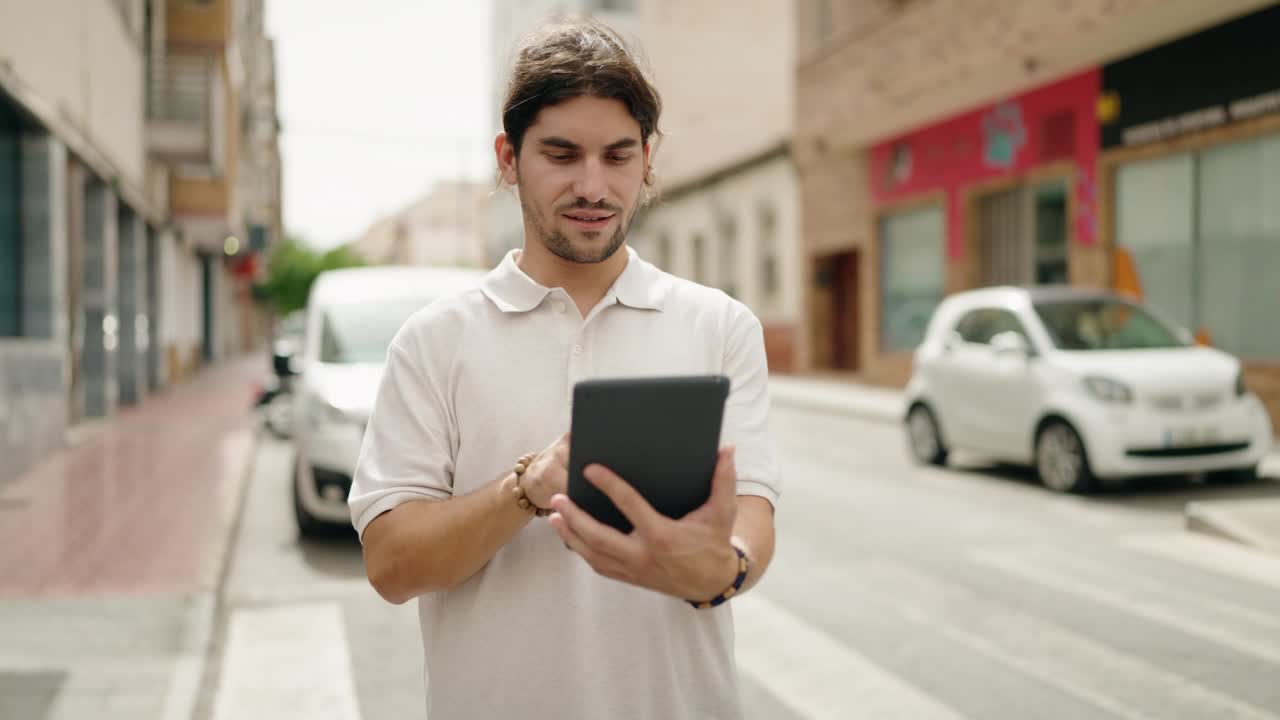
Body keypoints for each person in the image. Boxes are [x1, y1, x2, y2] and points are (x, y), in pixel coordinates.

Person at [349, 18, 781, 720]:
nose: (593, 185)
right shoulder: (434, 340)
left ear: (647, 159)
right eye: (561, 154)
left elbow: (752, 529)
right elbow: (392, 567)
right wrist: (524, 490)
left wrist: (716, 569)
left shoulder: (719, 327)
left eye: (617, 156)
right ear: (508, 158)